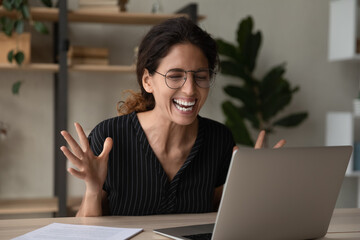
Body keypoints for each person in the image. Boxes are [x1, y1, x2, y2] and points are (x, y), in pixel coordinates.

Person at [60, 17, 285, 217]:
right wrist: (93, 188)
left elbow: (218, 216)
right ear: (148, 81)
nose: (190, 90)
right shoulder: (110, 138)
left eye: (201, 76)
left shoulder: (219, 139)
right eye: (175, 76)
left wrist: (251, 187)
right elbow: (88, 232)